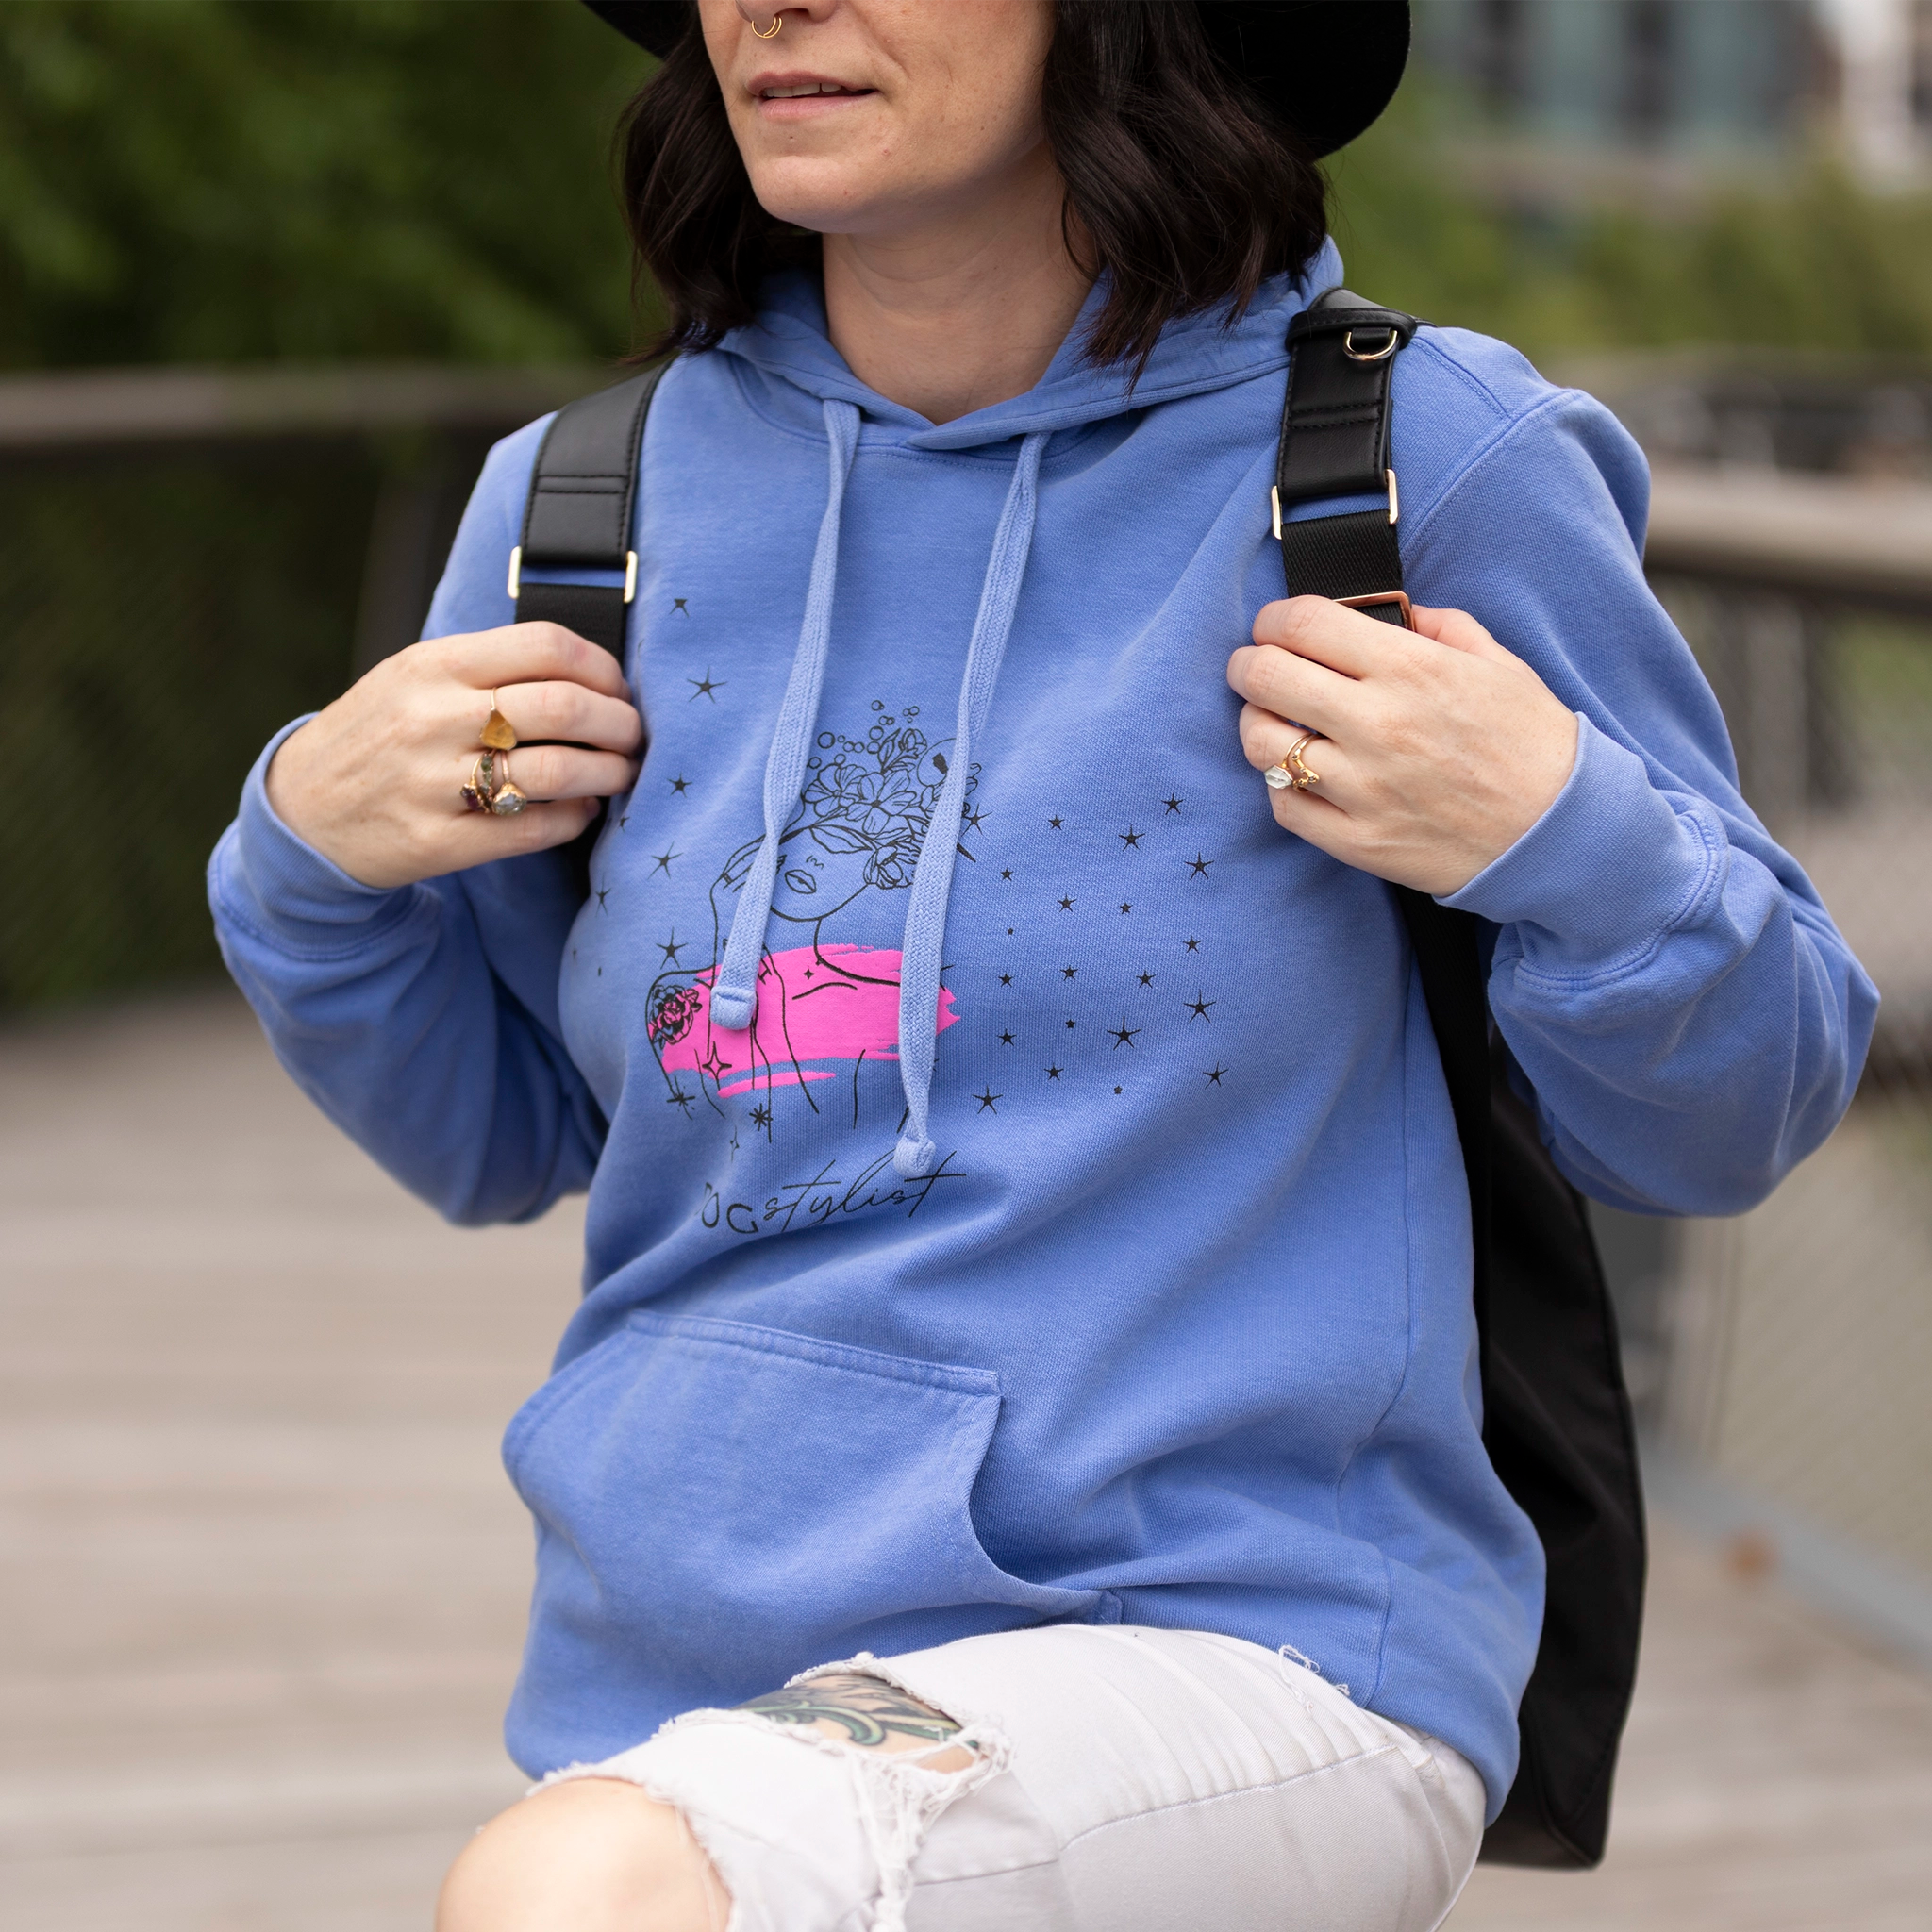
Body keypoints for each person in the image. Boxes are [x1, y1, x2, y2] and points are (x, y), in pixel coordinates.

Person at [208, 1, 1876, 1927]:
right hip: (662, 1684)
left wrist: (1563, 829)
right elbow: (499, 1135)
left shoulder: (1413, 464)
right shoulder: (582, 508)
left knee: (596, 1892)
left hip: (1236, 1638)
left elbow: (1738, 1109)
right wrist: (303, 862)